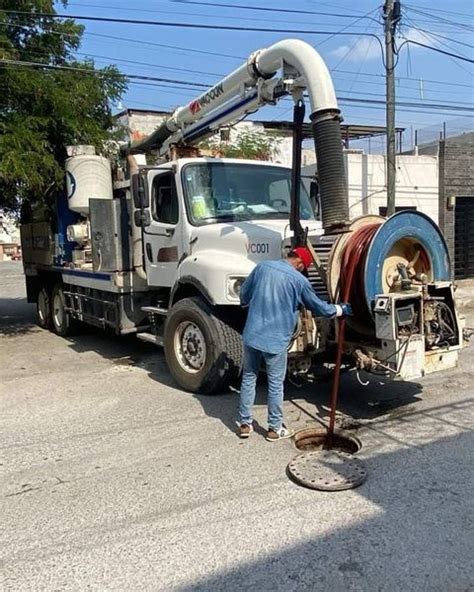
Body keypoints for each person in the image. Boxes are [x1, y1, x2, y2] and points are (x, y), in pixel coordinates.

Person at [238, 247, 352, 441]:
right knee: (275, 384)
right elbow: (319, 307)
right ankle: (274, 428)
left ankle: (245, 425)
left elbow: (244, 294)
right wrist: (339, 309)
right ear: (300, 263)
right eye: (303, 267)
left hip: (252, 335)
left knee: (249, 377)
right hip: (275, 341)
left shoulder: (262, 267)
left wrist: (248, 304)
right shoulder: (299, 280)